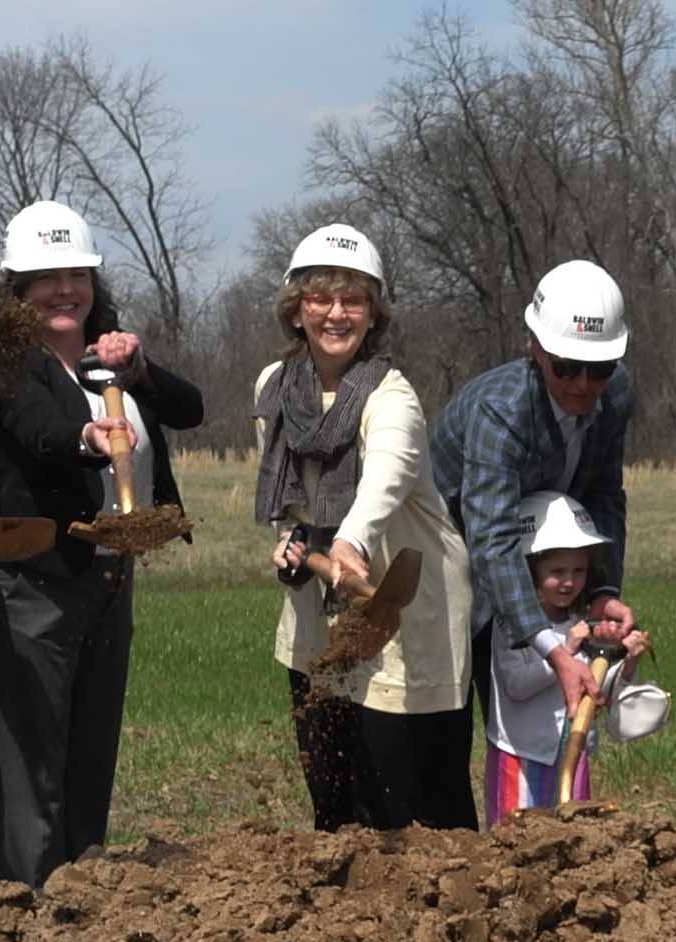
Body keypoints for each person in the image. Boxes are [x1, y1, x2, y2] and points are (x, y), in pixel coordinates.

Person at [0, 201, 203, 886]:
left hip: (106, 579)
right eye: (45, 277)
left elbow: (189, 410)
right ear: (17, 289)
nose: (64, 290)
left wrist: (140, 371)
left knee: (90, 749)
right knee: (34, 758)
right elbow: (35, 425)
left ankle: (82, 901)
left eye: (76, 274)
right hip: (33, 583)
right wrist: (85, 438)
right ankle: (29, 907)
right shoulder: (10, 363)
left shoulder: (110, 356)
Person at [255, 223, 475, 831]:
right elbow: (286, 494)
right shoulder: (272, 390)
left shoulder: (391, 396)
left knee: (414, 809)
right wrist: (290, 541)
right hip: (319, 610)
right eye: (320, 297)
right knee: (334, 796)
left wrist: (349, 539)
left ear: (373, 314)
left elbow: (387, 475)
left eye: (353, 300)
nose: (336, 313)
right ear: (295, 310)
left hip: (404, 606)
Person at [435, 259, 638, 740]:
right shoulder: (499, 410)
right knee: (452, 717)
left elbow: (604, 495)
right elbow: (492, 538)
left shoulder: (617, 394)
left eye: (599, 368)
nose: (583, 384)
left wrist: (603, 590)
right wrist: (550, 647)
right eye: (567, 367)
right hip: (449, 549)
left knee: (550, 713)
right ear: (535, 349)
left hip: (537, 554)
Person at [481, 494, 652, 819]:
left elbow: (601, 692)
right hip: (522, 756)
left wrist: (627, 661)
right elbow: (516, 686)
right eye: (557, 571)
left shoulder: (583, 620)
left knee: (572, 836)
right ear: (529, 569)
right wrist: (565, 652)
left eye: (579, 570)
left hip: (572, 755)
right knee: (514, 845)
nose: (569, 581)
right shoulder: (512, 626)